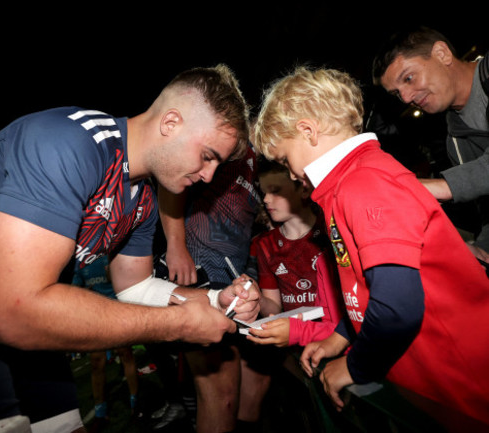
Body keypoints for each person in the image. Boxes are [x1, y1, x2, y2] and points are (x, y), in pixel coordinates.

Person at [0, 64, 260, 433]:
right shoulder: (69, 141)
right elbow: (16, 311)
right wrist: (178, 325)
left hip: (5, 315)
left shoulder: (144, 199)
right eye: (207, 157)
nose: (209, 176)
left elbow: (135, 289)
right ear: (171, 122)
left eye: (217, 165)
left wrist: (208, 300)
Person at [253, 65, 489, 427]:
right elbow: (364, 284)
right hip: (429, 374)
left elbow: (396, 308)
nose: (290, 173)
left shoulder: (364, 182)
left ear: (307, 131)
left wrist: (353, 364)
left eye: (285, 159)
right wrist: (341, 336)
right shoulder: (348, 182)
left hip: (462, 377)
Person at [155, 137, 260, 433]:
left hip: (231, 283)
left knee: (221, 390)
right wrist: (176, 247)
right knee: (221, 394)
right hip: (198, 271)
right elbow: (172, 177)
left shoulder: (265, 165)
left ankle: (187, 410)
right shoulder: (231, 142)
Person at [236, 157, 343, 430]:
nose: (267, 199)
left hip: (340, 339)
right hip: (294, 345)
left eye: (276, 190)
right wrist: (256, 299)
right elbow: (274, 307)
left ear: (303, 190)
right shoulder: (266, 245)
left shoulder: (331, 228)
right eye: (263, 191)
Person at [372, 26, 489, 264]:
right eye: (397, 93)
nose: (406, 98)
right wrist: (479, 253)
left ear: (442, 54)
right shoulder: (455, 145)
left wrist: (442, 186)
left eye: (408, 78)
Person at [70, 255, 139, 432]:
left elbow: (124, 279)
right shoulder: (80, 260)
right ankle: (100, 411)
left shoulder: (110, 252)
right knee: (96, 363)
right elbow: (76, 287)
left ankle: (135, 401)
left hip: (117, 311)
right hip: (94, 316)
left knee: (125, 355)